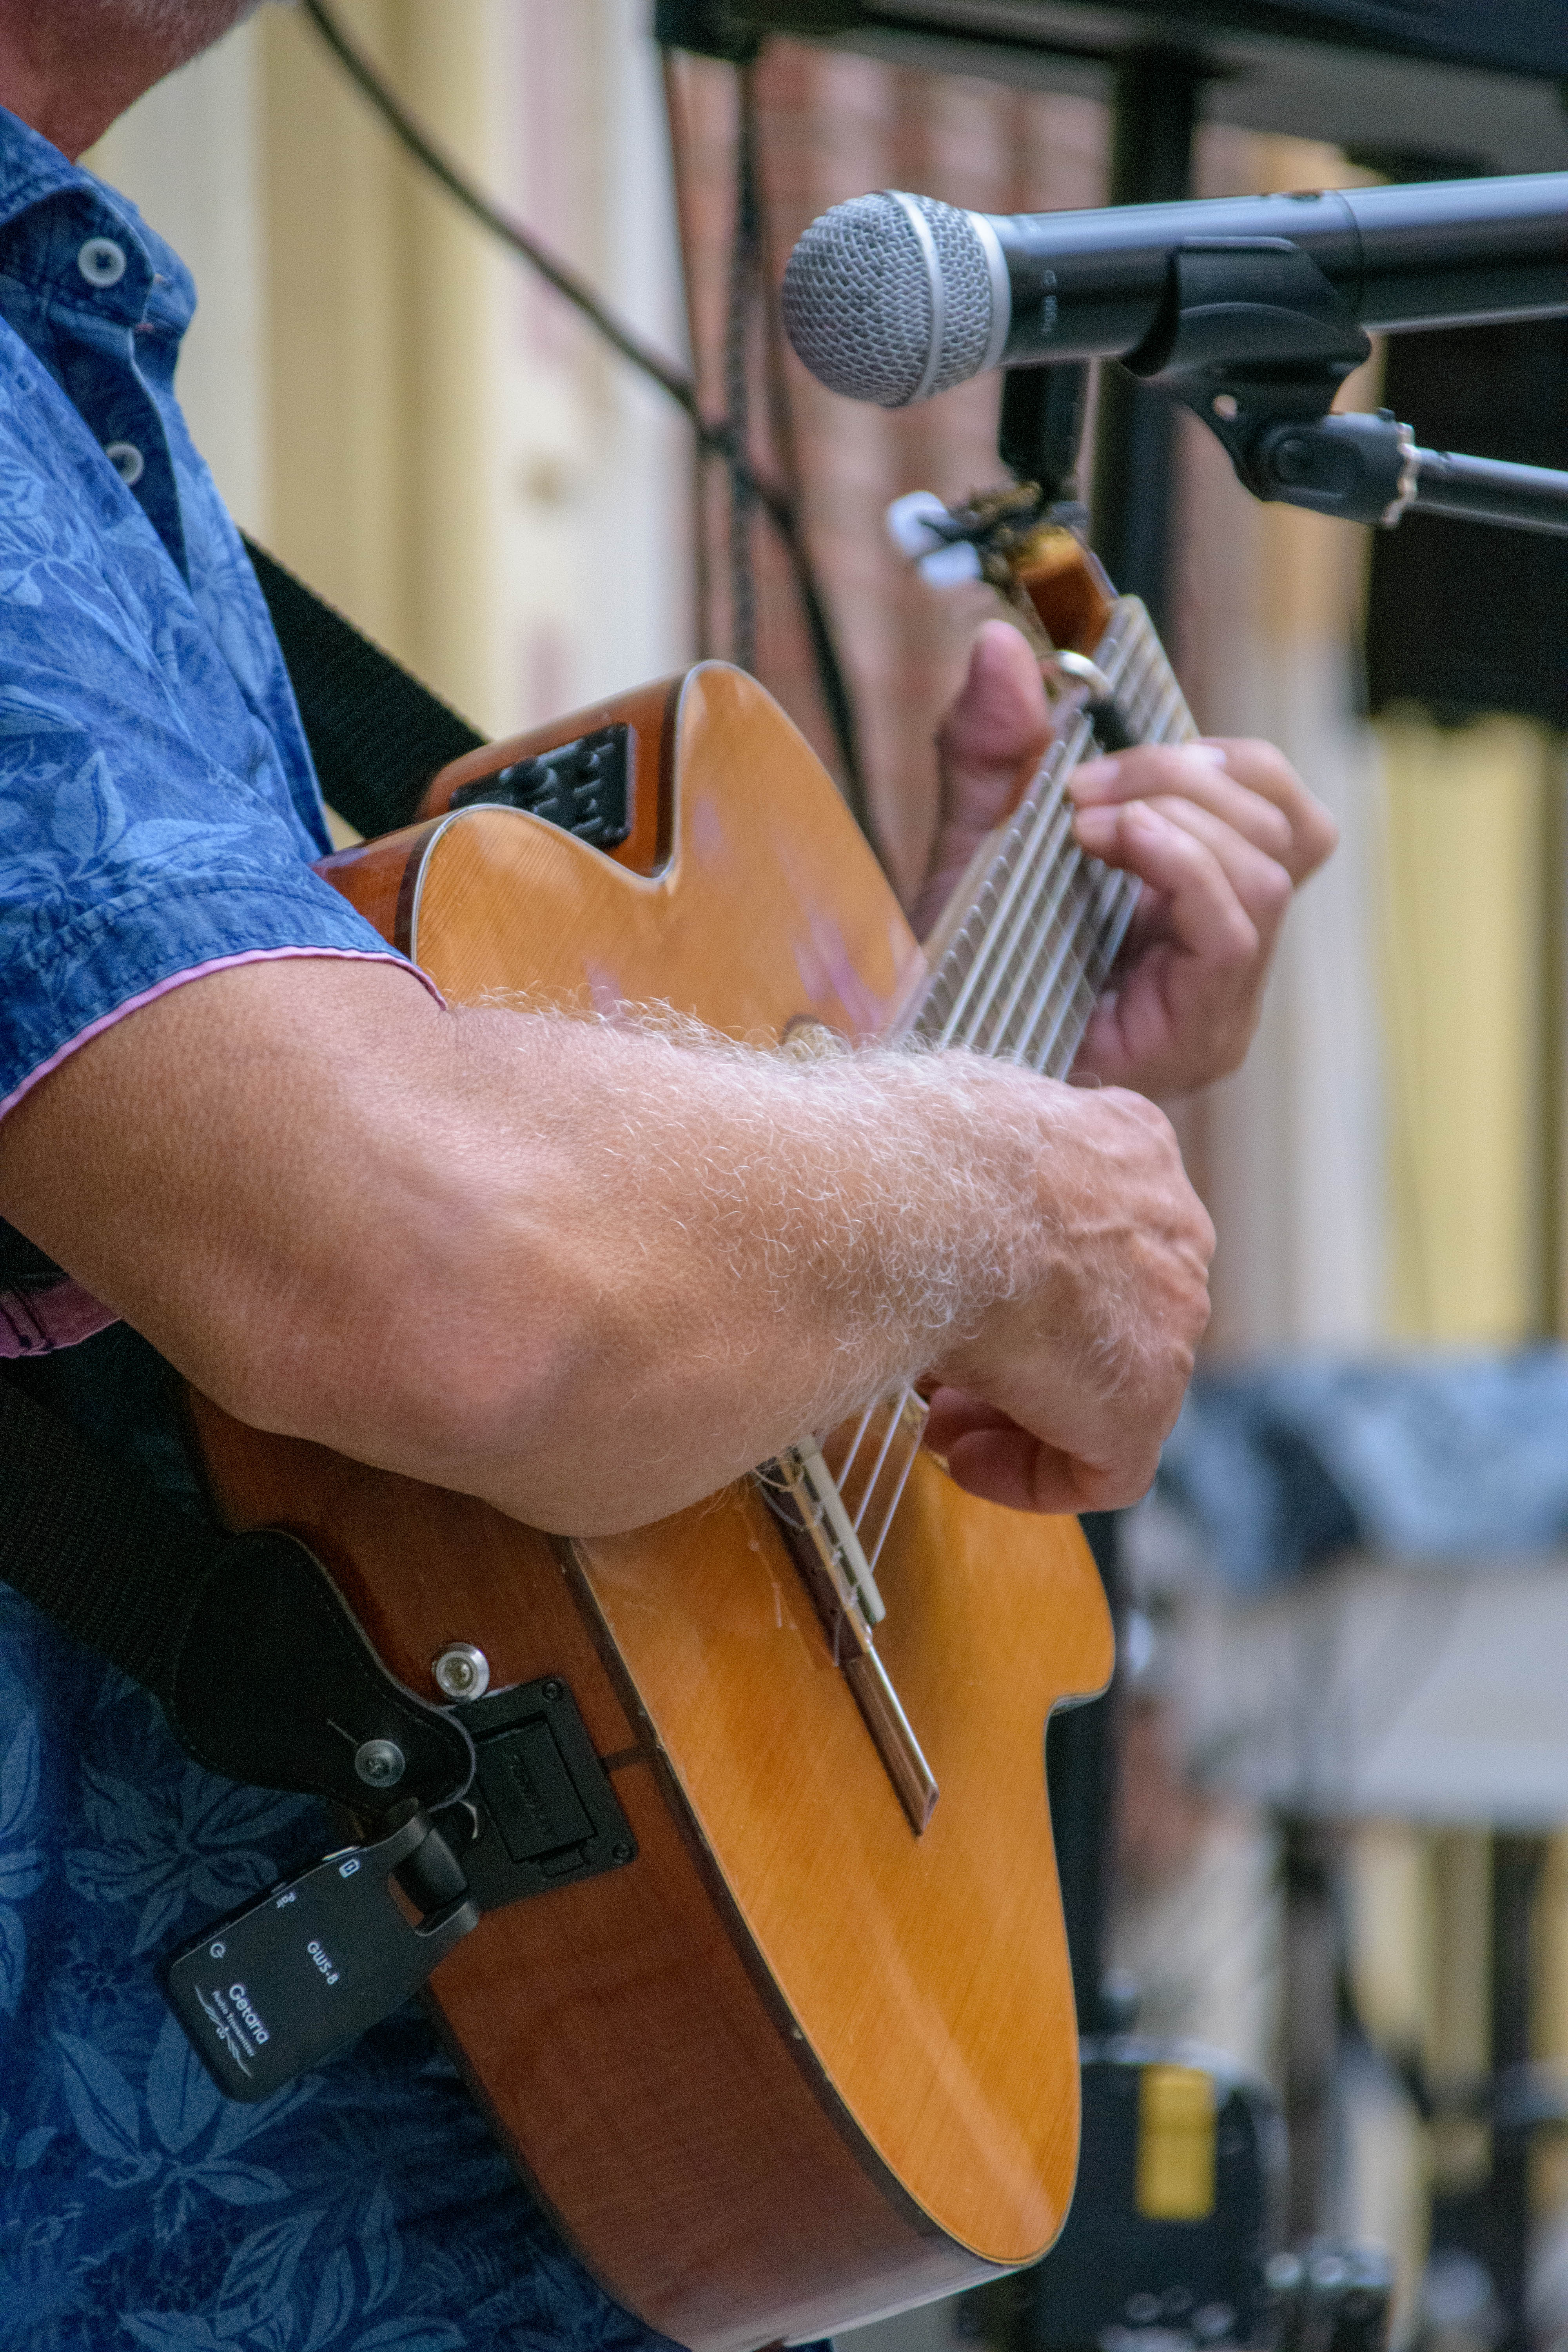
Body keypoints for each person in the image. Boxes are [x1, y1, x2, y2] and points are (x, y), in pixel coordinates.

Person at [0, 2, 1336, 2344]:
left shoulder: (66, 374)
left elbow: (356, 1380)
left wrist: (952, 1064)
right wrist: (998, 1194)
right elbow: (440, 1279)